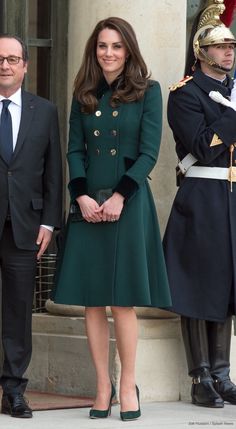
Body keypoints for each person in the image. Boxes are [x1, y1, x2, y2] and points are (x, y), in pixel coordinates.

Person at [53, 16, 171, 421]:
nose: (109, 53)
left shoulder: (149, 92)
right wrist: (81, 195)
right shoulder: (83, 92)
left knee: (122, 302)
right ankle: (102, 386)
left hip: (128, 201)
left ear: (129, 50)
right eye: (103, 46)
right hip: (89, 203)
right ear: (94, 50)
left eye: (117, 46)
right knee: (92, 300)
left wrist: (121, 195)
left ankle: (127, 384)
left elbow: (149, 153)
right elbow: (74, 150)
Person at [163, 0, 236, 408]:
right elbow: (203, 148)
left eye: (232, 46)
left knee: (226, 285)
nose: (228, 52)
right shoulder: (185, 94)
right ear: (201, 52)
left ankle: (223, 375)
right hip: (201, 196)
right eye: (220, 45)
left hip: (231, 198)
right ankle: (200, 377)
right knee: (196, 286)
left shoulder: (233, 90)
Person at [0, 34, 62, 418]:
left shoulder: (45, 111)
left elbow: (54, 171)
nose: (4, 65)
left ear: (25, 65)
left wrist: (49, 222)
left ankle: (13, 389)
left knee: (20, 310)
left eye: (12, 58)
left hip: (25, 227)